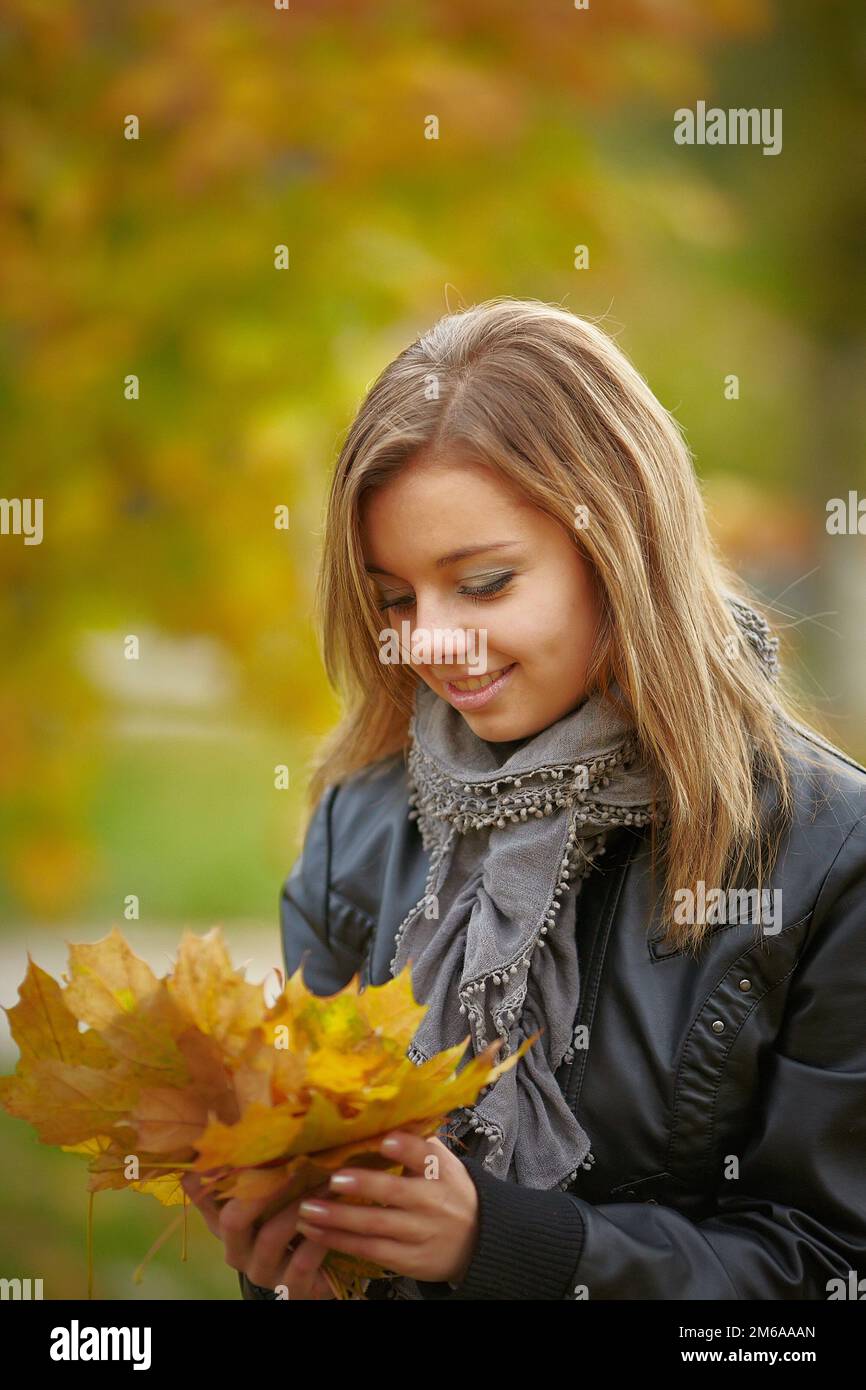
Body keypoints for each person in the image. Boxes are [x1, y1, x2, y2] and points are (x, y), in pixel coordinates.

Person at [185, 297, 866, 1300]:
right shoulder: (358, 826)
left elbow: (824, 1274)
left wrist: (511, 1244)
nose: (429, 642)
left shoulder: (825, 854)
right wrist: (290, 1253)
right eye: (395, 599)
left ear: (621, 548)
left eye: (485, 581)